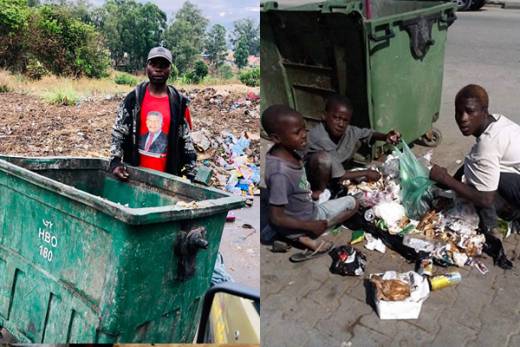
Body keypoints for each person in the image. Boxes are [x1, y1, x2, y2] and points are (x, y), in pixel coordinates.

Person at [429, 84, 520, 268]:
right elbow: (471, 164)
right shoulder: (499, 123)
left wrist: (445, 179)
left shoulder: (487, 145)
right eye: (458, 112)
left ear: (484, 111)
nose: (463, 118)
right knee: (475, 169)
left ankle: (500, 225)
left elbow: (485, 199)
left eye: (470, 112)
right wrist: (447, 185)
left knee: (481, 190)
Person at [262, 104, 359, 262]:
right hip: (307, 218)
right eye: (297, 132)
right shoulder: (280, 174)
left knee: (320, 195)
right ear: (276, 138)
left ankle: (294, 235)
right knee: (354, 203)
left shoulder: (282, 153)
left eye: (304, 129)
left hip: (299, 209)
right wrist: (311, 226)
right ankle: (310, 234)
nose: (304, 135)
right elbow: (276, 217)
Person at [109, 46, 196, 180]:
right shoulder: (134, 98)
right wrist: (115, 162)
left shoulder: (179, 103)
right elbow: (119, 132)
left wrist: (191, 172)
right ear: (147, 66)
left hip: (166, 178)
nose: (158, 69)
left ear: (170, 69)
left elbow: (186, 139)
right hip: (133, 175)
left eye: (163, 65)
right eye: (153, 64)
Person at [305, 94, 401, 200]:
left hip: (336, 172)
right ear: (324, 116)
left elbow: (367, 134)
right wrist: (366, 173)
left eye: (345, 120)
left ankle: (334, 188)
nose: (340, 124)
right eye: (336, 118)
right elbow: (338, 172)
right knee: (323, 159)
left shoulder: (348, 131)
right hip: (314, 179)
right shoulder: (319, 137)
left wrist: (385, 136)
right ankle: (321, 195)